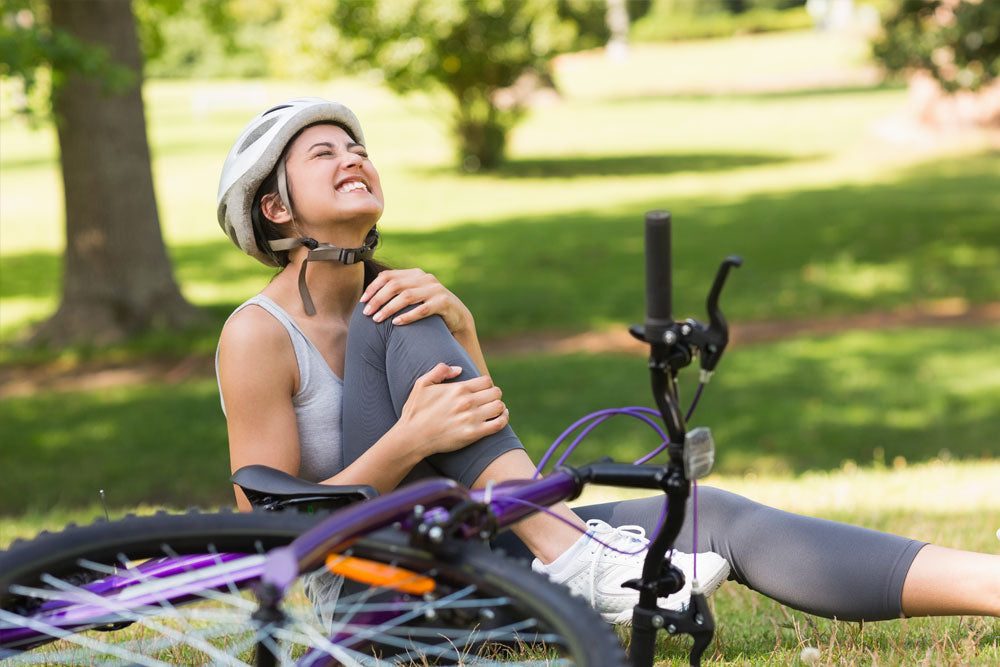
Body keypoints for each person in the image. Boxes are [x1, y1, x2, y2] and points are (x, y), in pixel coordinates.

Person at [215, 97, 1000, 627]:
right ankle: (569, 552)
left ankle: (987, 582)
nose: (354, 157)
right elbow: (266, 536)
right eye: (325, 153)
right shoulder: (257, 334)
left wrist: (469, 333)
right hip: (367, 594)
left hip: (462, 540)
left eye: (358, 147)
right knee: (404, 310)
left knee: (709, 515)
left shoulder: (399, 299)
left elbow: (477, 445)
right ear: (276, 210)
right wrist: (405, 441)